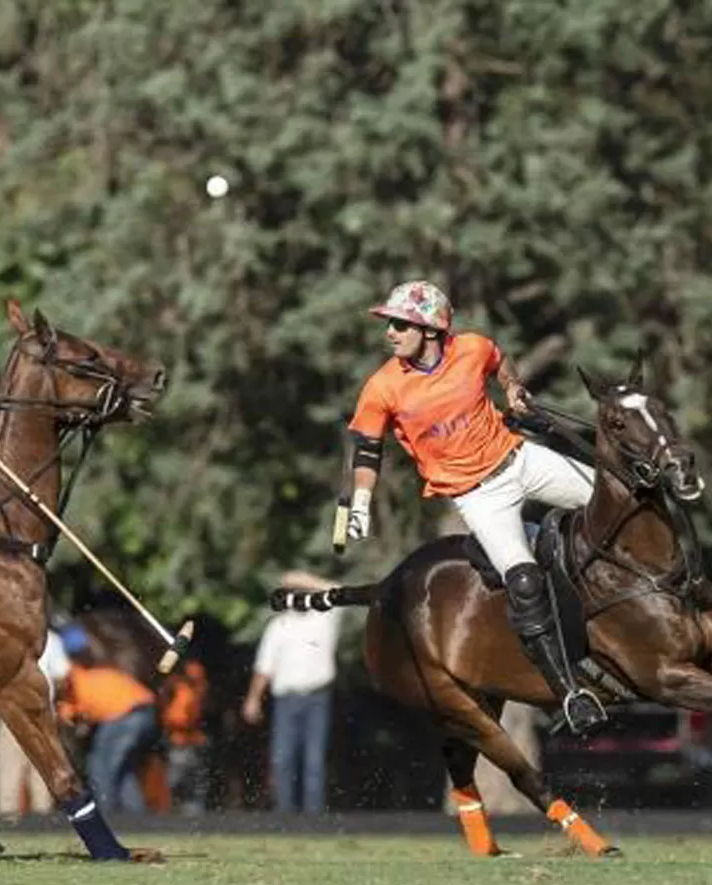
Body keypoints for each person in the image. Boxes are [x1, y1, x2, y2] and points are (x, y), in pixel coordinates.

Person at [344, 279, 605, 733]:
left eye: (400, 324)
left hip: (520, 459)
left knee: (616, 498)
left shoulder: (472, 347)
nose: (390, 332)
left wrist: (513, 388)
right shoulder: (382, 387)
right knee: (523, 580)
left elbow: (500, 362)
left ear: (430, 329)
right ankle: (570, 694)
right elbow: (368, 450)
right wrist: (361, 502)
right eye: (390, 324)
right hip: (479, 496)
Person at [243, 571, 340, 814]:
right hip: (286, 699)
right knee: (282, 757)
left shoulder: (324, 618)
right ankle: (285, 814)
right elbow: (264, 667)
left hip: (317, 697)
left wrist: (302, 579)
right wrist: (253, 699)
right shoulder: (279, 626)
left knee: (314, 760)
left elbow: (338, 591)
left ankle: (313, 816)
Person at [0, 623, 81, 818]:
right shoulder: (52, 639)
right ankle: (43, 818)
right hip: (43, 712)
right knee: (42, 771)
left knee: (9, 768)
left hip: (12, 709)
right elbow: (62, 677)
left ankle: (8, 818)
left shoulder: (6, 636)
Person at [59, 653, 159, 813]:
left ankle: (108, 813)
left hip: (123, 716)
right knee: (122, 768)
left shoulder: (75, 684)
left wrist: (70, 719)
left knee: (100, 765)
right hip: (146, 713)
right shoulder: (95, 675)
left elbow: (76, 720)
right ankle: (136, 816)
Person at [159, 654, 209, 815]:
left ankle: (188, 809)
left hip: (187, 741)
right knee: (180, 779)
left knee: (188, 778)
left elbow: (185, 718)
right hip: (180, 741)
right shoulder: (179, 688)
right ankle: (173, 807)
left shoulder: (192, 691)